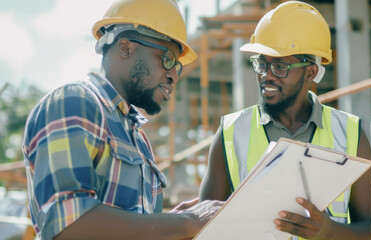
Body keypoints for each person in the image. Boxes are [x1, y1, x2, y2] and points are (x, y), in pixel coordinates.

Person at [22, 0, 223, 239]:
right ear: (126, 48)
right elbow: (68, 225)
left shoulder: (137, 136)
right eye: (167, 58)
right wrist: (185, 222)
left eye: (177, 66)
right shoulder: (75, 102)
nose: (173, 75)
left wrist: (170, 222)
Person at [199, 1, 371, 239]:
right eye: (261, 64)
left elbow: (367, 230)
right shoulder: (230, 133)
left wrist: (328, 231)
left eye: (280, 66)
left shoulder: (351, 134)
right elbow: (205, 229)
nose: (266, 76)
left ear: (310, 72)